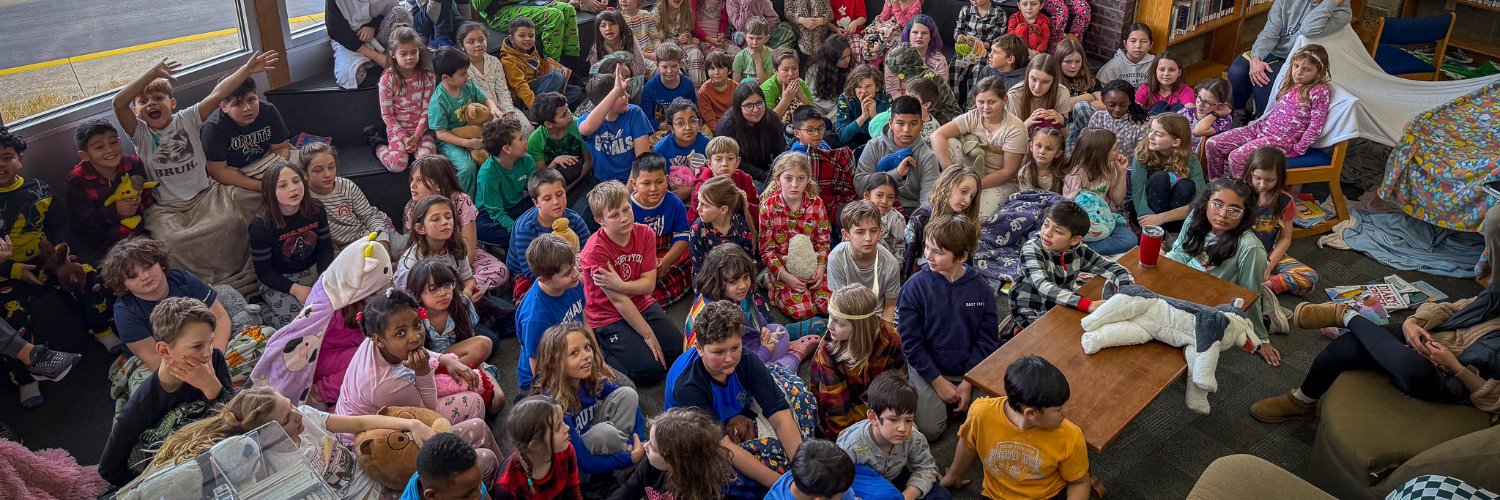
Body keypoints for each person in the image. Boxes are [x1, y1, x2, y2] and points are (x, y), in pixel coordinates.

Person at [115, 53, 278, 295]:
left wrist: (246, 69)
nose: (151, 104)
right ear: (137, 111)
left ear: (172, 103)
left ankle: (246, 275)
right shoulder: (140, 133)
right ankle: (205, 288)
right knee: (171, 244)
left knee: (232, 221)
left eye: (158, 98)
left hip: (205, 196)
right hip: (168, 208)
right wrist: (152, 73)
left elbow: (218, 94)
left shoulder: (189, 119)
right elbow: (118, 104)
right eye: (143, 101)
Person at [1250, 285, 1500, 422]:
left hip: (1455, 380)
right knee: (1349, 345)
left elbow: (1494, 400)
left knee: (1412, 367)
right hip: (1435, 339)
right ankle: (1302, 400)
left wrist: (1455, 366)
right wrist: (1414, 322)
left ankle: (1345, 315)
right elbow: (1452, 307)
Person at [142, 387, 433, 498]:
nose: (296, 413)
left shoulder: (306, 415)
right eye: (285, 418)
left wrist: (412, 423)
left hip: (378, 476)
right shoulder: (270, 468)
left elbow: (360, 423)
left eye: (290, 405)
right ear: (265, 435)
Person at [665, 299, 813, 495]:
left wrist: (802, 474)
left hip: (736, 413)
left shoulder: (747, 358)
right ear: (699, 349)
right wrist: (784, 486)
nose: (729, 358)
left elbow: (780, 414)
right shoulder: (687, 386)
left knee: (800, 398)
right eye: (719, 352)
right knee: (723, 479)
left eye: (735, 347)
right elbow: (722, 447)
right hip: (700, 435)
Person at [102, 237, 264, 414]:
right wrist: (200, 375)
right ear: (123, 284)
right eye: (133, 276)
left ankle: (214, 392)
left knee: (266, 336)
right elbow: (153, 358)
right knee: (145, 395)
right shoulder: (125, 311)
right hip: (168, 364)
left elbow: (220, 317)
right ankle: (221, 391)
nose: (144, 276)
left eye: (148, 266)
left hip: (208, 348)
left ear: (161, 264)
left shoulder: (183, 279)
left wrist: (213, 358)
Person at [0, 127, 118, 369]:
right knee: (12, 313)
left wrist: (60, 257)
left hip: (49, 259)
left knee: (87, 274)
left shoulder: (38, 189)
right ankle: (26, 373)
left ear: (19, 160)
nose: (1, 165)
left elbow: (60, 226)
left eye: (7, 158)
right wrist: (13, 270)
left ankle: (102, 328)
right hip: (7, 270)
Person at [100, 297, 234, 487]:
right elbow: (109, 468)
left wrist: (212, 388)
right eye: (197, 346)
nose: (207, 352)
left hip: (225, 456)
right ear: (164, 350)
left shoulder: (214, 360)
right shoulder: (142, 404)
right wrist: (155, 486)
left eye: (210, 342)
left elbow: (240, 420)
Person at [898, 214, 998, 441]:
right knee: (931, 431)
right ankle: (921, 390)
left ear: (962, 256)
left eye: (938, 252)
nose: (927, 256)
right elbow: (910, 343)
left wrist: (968, 382)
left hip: (969, 370)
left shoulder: (981, 290)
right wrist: (938, 382)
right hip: (928, 368)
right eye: (927, 247)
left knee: (991, 420)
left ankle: (956, 400)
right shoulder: (914, 287)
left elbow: (988, 340)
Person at [336, 288, 495, 430]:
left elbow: (419, 349)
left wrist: (448, 361)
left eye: (417, 324)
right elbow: (430, 412)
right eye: (401, 333)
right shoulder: (384, 384)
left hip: (386, 403)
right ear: (379, 340)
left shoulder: (376, 336)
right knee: (474, 402)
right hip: (374, 439)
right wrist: (423, 371)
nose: (415, 337)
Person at [939, 356, 1090, 500]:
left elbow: (1079, 483)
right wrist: (954, 475)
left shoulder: (1070, 435)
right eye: (1058, 409)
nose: (1066, 413)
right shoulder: (981, 413)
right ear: (1031, 413)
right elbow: (968, 443)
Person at [581, 180, 687, 385]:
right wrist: (647, 335)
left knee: (678, 350)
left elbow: (648, 285)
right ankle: (603, 351)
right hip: (607, 315)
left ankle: (635, 340)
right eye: (614, 215)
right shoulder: (595, 251)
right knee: (650, 372)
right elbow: (619, 301)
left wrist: (620, 285)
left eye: (626, 210)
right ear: (599, 220)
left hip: (641, 302)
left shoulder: (645, 233)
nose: (624, 218)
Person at [1165, 178, 1280, 364]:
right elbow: (1180, 252)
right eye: (1217, 204)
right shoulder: (1198, 215)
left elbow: (1249, 294)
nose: (1222, 214)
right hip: (1184, 283)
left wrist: (1261, 338)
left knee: (1180, 343)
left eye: (1234, 209)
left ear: (1245, 214)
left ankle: (1269, 311)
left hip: (1211, 301)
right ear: (1207, 202)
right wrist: (1160, 271)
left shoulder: (1250, 248)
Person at [529, 323, 648, 477]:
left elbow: (628, 401)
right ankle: (628, 457)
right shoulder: (555, 403)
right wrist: (630, 458)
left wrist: (637, 443)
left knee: (628, 393)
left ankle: (631, 451)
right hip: (574, 464)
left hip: (592, 436)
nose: (586, 355)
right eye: (574, 353)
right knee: (604, 433)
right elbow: (582, 461)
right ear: (556, 363)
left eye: (587, 347)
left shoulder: (586, 377)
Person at [686, 244, 825, 371]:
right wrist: (764, 351)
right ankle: (795, 355)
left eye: (746, 277)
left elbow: (754, 316)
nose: (743, 285)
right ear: (716, 281)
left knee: (780, 331)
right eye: (733, 281)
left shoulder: (735, 294)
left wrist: (762, 328)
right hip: (730, 368)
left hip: (746, 345)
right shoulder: (717, 318)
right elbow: (733, 365)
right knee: (774, 374)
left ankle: (785, 350)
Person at [1208, 44, 1333, 179]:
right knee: (1212, 144)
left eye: (1307, 69)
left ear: (1319, 72)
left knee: (1236, 157)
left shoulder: (1319, 90)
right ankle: (1217, 185)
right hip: (1261, 128)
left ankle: (1240, 194)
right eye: (1296, 66)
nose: (1298, 73)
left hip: (1281, 140)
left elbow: (1315, 126)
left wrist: (1299, 148)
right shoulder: (1290, 83)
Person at [1011, 201, 1136, 327]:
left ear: (1075, 240)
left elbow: (1113, 268)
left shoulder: (1079, 250)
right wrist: (1088, 305)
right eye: (1046, 224)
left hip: (1062, 303)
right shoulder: (1031, 249)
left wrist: (1126, 293)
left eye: (1058, 231)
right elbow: (1043, 286)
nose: (1047, 233)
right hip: (1031, 311)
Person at [811, 284, 908, 438]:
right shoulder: (828, 351)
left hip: (875, 400)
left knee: (907, 430)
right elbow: (835, 410)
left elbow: (897, 383)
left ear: (860, 327)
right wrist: (849, 441)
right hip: (844, 404)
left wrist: (891, 417)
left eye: (839, 323)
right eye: (830, 316)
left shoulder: (890, 339)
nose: (829, 325)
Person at [405, 156, 509, 297]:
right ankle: (457, 292)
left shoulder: (461, 201)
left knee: (500, 271)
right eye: (412, 179)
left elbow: (469, 250)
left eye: (419, 180)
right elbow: (414, 247)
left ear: (439, 185)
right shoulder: (412, 207)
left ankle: (454, 292)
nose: (413, 185)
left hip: (461, 257)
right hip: (428, 261)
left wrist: (461, 272)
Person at [248, 162, 335, 328]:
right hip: (280, 279)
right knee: (298, 324)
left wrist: (324, 280)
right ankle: (261, 307)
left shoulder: (316, 209)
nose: (293, 188)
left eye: (296, 181)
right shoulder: (261, 226)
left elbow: (326, 249)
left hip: (314, 270)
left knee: (332, 312)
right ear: (269, 193)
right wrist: (296, 289)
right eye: (283, 185)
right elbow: (264, 272)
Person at [1229, 0, 1350, 118]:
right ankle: (1238, 112)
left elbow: (1309, 28)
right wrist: (1256, 58)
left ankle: (1262, 119)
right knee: (1237, 71)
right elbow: (1269, 33)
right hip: (1273, 49)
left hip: (1299, 58)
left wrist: (1330, 3)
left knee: (1267, 78)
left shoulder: (1342, 11)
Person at [836, 372, 947, 500]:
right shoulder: (850, 445)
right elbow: (838, 483)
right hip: (865, 487)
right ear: (873, 417)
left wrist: (907, 496)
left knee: (941, 496)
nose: (903, 428)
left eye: (908, 420)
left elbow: (927, 467)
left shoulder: (914, 437)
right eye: (894, 420)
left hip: (897, 478)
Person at [931, 76, 1028, 217]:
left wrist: (973, 186)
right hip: (971, 172)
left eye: (992, 102)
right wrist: (951, 174)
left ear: (1004, 100)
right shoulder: (973, 116)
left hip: (1000, 181)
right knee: (951, 142)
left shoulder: (1015, 128)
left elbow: (1008, 171)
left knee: (978, 213)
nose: (986, 107)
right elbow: (937, 136)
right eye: (981, 102)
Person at [760, 153, 834, 320]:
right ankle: (771, 285)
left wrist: (821, 268)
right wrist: (786, 277)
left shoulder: (817, 203)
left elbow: (823, 242)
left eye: (801, 178)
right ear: (778, 179)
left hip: (813, 265)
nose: (794, 185)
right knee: (804, 312)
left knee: (829, 306)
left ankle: (805, 289)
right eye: (788, 178)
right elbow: (766, 250)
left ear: (808, 179)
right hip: (784, 268)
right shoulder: (768, 207)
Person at [606, 407, 736, 500]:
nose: (645, 446)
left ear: (677, 462)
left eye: (653, 447)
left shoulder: (703, 491)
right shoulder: (650, 463)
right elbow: (630, 489)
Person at [66, 119, 154, 254]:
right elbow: (82, 220)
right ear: (85, 155)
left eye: (113, 142)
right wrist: (116, 211)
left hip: (139, 227)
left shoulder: (133, 164)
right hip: (103, 238)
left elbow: (148, 199)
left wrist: (137, 208)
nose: (109, 150)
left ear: (120, 141)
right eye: (99, 147)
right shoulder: (77, 179)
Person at [506, 169, 593, 299]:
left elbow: (589, 251)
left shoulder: (573, 219)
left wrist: (577, 273)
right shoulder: (526, 228)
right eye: (547, 198)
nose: (556, 202)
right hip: (528, 274)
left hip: (567, 267)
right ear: (536, 203)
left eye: (560, 194)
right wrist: (567, 279)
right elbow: (530, 272)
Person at [515, 234, 587, 392]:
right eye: (567, 273)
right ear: (544, 280)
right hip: (546, 376)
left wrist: (598, 359)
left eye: (575, 265)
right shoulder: (535, 318)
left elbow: (585, 323)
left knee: (623, 389)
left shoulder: (573, 284)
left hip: (573, 356)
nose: (576, 274)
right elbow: (538, 367)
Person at [429, 47, 506, 193]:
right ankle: (467, 204)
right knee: (467, 168)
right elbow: (441, 133)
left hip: (475, 132)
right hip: (451, 141)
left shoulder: (467, 84)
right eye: (463, 74)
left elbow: (485, 99)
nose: (468, 76)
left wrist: (494, 108)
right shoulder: (438, 101)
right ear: (446, 78)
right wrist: (467, 143)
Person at [299, 143, 401, 250]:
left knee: (403, 251)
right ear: (305, 174)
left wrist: (382, 243)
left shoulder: (347, 186)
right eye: (318, 170)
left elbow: (370, 216)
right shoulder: (304, 198)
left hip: (371, 231)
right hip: (347, 246)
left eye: (331, 167)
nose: (327, 174)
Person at [405, 259, 497, 376]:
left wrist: (480, 368)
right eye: (433, 289)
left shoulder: (462, 303)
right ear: (417, 293)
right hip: (427, 364)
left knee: (484, 344)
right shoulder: (412, 316)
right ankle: (440, 377)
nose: (443, 293)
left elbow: (470, 336)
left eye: (447, 285)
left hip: (458, 356)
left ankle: (447, 375)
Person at [201, 78, 291, 193]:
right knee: (238, 198)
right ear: (224, 107)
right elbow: (218, 172)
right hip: (235, 173)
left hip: (269, 160)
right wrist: (261, 186)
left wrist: (276, 173)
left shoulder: (269, 111)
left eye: (251, 100)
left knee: (301, 172)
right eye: (238, 104)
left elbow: (282, 147)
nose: (247, 108)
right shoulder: (213, 128)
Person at [629, 153, 694, 307]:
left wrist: (666, 262)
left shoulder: (674, 203)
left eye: (659, 182)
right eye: (646, 183)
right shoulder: (627, 208)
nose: (653, 189)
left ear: (666, 179)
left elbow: (682, 237)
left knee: (693, 255)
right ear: (634, 184)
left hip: (666, 250)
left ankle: (646, 299)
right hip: (637, 255)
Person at [855, 96, 939, 213]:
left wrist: (917, 222)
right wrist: (896, 174)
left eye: (913, 124)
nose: (906, 130)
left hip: (912, 212)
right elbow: (860, 185)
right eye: (900, 123)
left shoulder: (928, 156)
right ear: (891, 124)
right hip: (875, 210)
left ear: (921, 125)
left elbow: (928, 199)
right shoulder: (874, 146)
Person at [495, 396, 584, 499]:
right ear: (534, 445)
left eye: (563, 421)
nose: (567, 428)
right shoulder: (507, 487)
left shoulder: (566, 450)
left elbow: (573, 491)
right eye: (558, 427)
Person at [375, 26, 438, 173]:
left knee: (427, 163)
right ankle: (378, 146)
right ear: (393, 55)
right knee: (397, 165)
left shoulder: (428, 76)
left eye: (413, 52)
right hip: (398, 129)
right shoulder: (387, 80)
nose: (409, 57)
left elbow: (427, 110)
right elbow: (387, 115)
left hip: (422, 129)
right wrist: (403, 138)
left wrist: (417, 136)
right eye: (403, 54)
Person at [397, 196, 481, 304]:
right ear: (420, 228)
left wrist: (466, 296)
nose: (445, 222)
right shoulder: (412, 263)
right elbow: (410, 305)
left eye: (448, 217)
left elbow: (468, 279)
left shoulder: (456, 248)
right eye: (436, 219)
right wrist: (463, 303)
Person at [901, 168, 981, 279]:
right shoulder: (922, 217)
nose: (967, 200)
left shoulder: (965, 221)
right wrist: (907, 281)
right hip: (925, 276)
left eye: (972, 196)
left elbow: (968, 261)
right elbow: (909, 254)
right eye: (963, 191)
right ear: (947, 186)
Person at [1130, 113, 1204, 233]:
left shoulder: (1191, 161)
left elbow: (1200, 200)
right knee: (1160, 177)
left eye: (1158, 134)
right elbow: (1137, 191)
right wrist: (1147, 218)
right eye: (1151, 130)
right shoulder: (1142, 154)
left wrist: (1162, 218)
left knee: (1187, 185)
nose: (1151, 136)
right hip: (1144, 210)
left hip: (1173, 217)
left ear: (1175, 142)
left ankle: (1172, 234)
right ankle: (1154, 233)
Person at [1064, 129, 1134, 255]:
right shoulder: (1076, 174)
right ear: (1101, 153)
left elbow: (1117, 200)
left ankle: (1081, 250)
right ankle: (1080, 248)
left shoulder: (1110, 167)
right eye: (1114, 149)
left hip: (1107, 218)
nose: (1118, 152)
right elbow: (1068, 207)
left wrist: (1122, 173)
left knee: (1130, 240)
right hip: (1084, 223)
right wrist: (1086, 224)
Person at [458, 22, 534, 136]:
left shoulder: (494, 62)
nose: (478, 44)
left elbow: (502, 90)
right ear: (462, 46)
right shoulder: (462, 69)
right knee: (502, 136)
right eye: (471, 42)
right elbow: (470, 100)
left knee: (526, 129)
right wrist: (492, 115)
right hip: (481, 115)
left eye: (481, 40)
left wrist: (508, 113)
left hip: (504, 107)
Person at [580, 68, 655, 185]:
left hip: (632, 182)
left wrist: (627, 195)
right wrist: (615, 91)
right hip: (602, 185)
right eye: (621, 94)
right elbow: (587, 129)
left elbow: (641, 160)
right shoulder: (585, 120)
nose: (628, 95)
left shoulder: (634, 113)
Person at [829, 201, 901, 321]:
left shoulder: (890, 263)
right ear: (846, 234)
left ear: (880, 231)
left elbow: (890, 306)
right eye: (860, 232)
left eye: (873, 231)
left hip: (878, 318)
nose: (868, 238)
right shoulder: (837, 258)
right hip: (847, 316)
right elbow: (838, 304)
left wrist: (885, 335)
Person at [476, 117, 538, 248]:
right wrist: (517, 230)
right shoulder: (488, 173)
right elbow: (496, 212)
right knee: (482, 229)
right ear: (507, 149)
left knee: (543, 206)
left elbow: (536, 192)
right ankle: (519, 241)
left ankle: (521, 240)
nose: (526, 142)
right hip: (490, 214)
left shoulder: (527, 160)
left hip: (516, 206)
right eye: (521, 139)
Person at [526, 92, 593, 208]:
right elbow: (541, 178)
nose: (570, 115)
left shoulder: (579, 126)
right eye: (563, 115)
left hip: (581, 176)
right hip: (551, 185)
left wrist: (567, 189)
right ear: (549, 124)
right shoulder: (535, 140)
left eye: (568, 110)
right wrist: (555, 161)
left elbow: (589, 162)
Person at [325, 0, 411, 89]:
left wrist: (372, 26)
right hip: (351, 43)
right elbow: (336, 30)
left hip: (380, 34)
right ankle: (387, 66)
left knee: (401, 13)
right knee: (349, 75)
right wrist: (377, 57)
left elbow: (391, 12)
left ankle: (390, 63)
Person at [499, 18, 580, 112]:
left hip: (542, 87)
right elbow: (520, 86)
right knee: (557, 77)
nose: (527, 39)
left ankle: (550, 110)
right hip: (526, 97)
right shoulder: (509, 60)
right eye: (522, 36)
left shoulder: (531, 51)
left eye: (531, 36)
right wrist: (533, 106)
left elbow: (541, 68)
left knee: (576, 91)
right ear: (512, 39)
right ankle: (538, 111)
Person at [715, 82, 787, 181]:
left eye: (760, 103)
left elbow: (780, 152)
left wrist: (778, 173)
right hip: (736, 175)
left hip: (768, 171)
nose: (756, 109)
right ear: (738, 107)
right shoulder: (727, 127)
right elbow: (731, 161)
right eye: (749, 105)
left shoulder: (771, 118)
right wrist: (765, 177)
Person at [691, 136, 762, 226]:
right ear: (709, 164)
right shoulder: (702, 185)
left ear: (737, 162)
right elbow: (695, 217)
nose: (725, 164)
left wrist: (745, 203)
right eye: (719, 159)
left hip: (741, 229)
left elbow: (758, 213)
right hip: (710, 231)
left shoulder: (745, 179)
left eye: (730, 158)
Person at [691, 177, 758, 269]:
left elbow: (747, 261)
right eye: (699, 202)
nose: (698, 208)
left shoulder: (741, 225)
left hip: (738, 277)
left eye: (704, 205)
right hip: (709, 280)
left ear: (723, 209)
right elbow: (699, 269)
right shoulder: (697, 230)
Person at [653, 99, 713, 202]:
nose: (688, 127)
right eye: (680, 123)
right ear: (671, 128)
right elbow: (657, 180)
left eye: (693, 121)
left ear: (699, 124)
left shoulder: (708, 146)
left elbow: (714, 177)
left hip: (704, 197)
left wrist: (692, 190)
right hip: (672, 198)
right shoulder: (661, 149)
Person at [403, 433, 492, 499]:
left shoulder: (468, 483)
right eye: (466, 496)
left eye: (479, 484)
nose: (480, 494)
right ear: (431, 497)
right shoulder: (458, 484)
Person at [952, 0, 1007, 106]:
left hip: (983, 51)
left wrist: (980, 44)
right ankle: (953, 104)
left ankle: (971, 106)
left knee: (978, 73)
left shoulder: (998, 12)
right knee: (954, 68)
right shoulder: (966, 10)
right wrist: (959, 37)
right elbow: (958, 30)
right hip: (965, 50)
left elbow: (999, 40)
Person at [884, 15, 948, 99]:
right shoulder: (894, 57)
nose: (919, 36)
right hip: (900, 105)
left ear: (931, 37)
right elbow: (892, 90)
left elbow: (940, 92)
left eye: (924, 33)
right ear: (908, 34)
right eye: (915, 32)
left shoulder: (939, 61)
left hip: (929, 106)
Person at [642, 44, 700, 131]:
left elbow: (694, 111)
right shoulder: (650, 87)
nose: (669, 71)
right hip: (661, 130)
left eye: (674, 66)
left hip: (685, 127)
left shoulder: (687, 84)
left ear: (680, 64)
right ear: (657, 65)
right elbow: (646, 119)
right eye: (664, 67)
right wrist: (669, 127)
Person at [1007, 54, 1071, 132]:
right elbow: (1009, 136)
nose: (1037, 87)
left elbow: (1065, 137)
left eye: (1045, 82)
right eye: (1034, 79)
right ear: (1027, 75)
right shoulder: (1014, 95)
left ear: (1054, 81)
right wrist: (1028, 123)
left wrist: (1062, 120)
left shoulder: (1062, 93)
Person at [833, 66, 891, 151]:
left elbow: (889, 135)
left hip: (876, 143)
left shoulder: (885, 98)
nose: (863, 91)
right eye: (859, 87)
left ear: (877, 87)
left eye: (868, 86)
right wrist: (863, 117)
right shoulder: (845, 98)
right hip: (852, 142)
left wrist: (874, 117)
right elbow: (842, 136)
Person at [1087, 79, 1149, 159]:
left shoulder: (1140, 125)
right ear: (1103, 100)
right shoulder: (1098, 117)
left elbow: (1141, 158)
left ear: (1130, 102)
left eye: (1123, 105)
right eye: (1112, 105)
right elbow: (1090, 147)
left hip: (1128, 169)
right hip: (1099, 165)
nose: (1117, 109)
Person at [657, 0, 710, 83]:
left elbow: (687, 32)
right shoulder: (657, 14)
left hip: (682, 47)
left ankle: (696, 92)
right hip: (665, 49)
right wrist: (677, 42)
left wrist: (686, 38)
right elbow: (658, 40)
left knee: (695, 52)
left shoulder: (686, 10)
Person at [1181, 77, 1235, 152]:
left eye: (1207, 102)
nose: (1200, 104)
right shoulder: (1187, 112)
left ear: (1221, 105)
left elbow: (1197, 132)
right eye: (1199, 97)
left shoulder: (1224, 120)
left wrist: (1216, 114)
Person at [863, 173, 907, 264]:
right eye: (879, 195)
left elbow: (900, 248)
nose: (884, 201)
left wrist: (894, 271)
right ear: (867, 196)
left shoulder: (897, 219)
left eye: (890, 197)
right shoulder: (855, 214)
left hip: (885, 264)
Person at [591, 11, 651, 77]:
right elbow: (595, 75)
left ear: (620, 25)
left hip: (633, 78)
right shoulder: (596, 49)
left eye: (612, 24)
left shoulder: (629, 39)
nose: (608, 28)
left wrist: (625, 75)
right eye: (603, 26)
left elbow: (641, 66)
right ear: (599, 30)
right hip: (610, 82)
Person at [1095, 23, 1156, 88]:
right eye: (1133, 41)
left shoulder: (1154, 65)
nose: (1138, 46)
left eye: (1143, 41)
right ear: (1125, 43)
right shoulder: (1113, 67)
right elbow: (1099, 88)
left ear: (1150, 45)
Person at [807, 36, 854, 116]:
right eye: (842, 58)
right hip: (822, 106)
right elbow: (813, 97)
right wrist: (836, 106)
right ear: (831, 58)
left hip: (840, 104)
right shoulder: (815, 70)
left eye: (849, 55)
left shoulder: (850, 67)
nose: (847, 60)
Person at [765, 48, 816, 117]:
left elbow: (814, 113)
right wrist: (786, 99)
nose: (791, 73)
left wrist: (801, 96)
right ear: (776, 72)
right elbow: (769, 120)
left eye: (794, 68)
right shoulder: (767, 89)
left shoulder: (800, 83)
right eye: (785, 70)